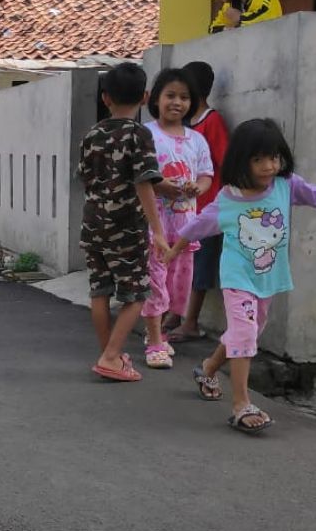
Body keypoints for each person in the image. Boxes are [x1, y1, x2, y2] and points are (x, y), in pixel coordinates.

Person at [165, 118, 316, 433]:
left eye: (274, 157)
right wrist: (171, 251)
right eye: (259, 159)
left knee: (247, 332)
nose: (269, 166)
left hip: (268, 279)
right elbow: (196, 226)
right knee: (244, 333)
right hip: (238, 278)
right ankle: (241, 404)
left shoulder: (286, 185)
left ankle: (209, 367)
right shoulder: (228, 198)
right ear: (242, 160)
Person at [78, 62, 169, 382]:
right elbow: (144, 182)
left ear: (106, 98)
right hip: (125, 227)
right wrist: (157, 230)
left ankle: (109, 355)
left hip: (92, 224)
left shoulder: (92, 135)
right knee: (136, 293)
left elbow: (86, 180)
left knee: (99, 290)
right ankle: (112, 357)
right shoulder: (139, 135)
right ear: (145, 98)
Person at [139, 68, 214, 370]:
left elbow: (207, 175)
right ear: (155, 99)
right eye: (170, 95)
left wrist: (198, 188)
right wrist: (162, 186)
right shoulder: (146, 134)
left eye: (184, 98)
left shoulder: (197, 140)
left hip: (186, 228)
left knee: (177, 283)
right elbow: (140, 176)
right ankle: (155, 341)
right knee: (156, 280)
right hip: (153, 225)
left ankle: (161, 332)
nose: (177, 102)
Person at [168, 61, 231, 343]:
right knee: (181, 263)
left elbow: (224, 163)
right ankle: (177, 313)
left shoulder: (212, 122)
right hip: (184, 208)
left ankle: (190, 320)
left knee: (200, 265)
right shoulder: (187, 125)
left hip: (206, 209)